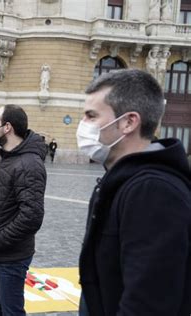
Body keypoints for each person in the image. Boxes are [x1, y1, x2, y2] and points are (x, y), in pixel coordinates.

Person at [77, 69, 191, 315]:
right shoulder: (123, 178)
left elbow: (147, 303)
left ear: (128, 122)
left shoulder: (153, 191)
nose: (83, 125)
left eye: (91, 116)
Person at [0, 104, 47, 316]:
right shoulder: (11, 157)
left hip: (10, 254)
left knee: (11, 311)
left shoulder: (28, 164)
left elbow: (32, 216)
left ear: (7, 127)